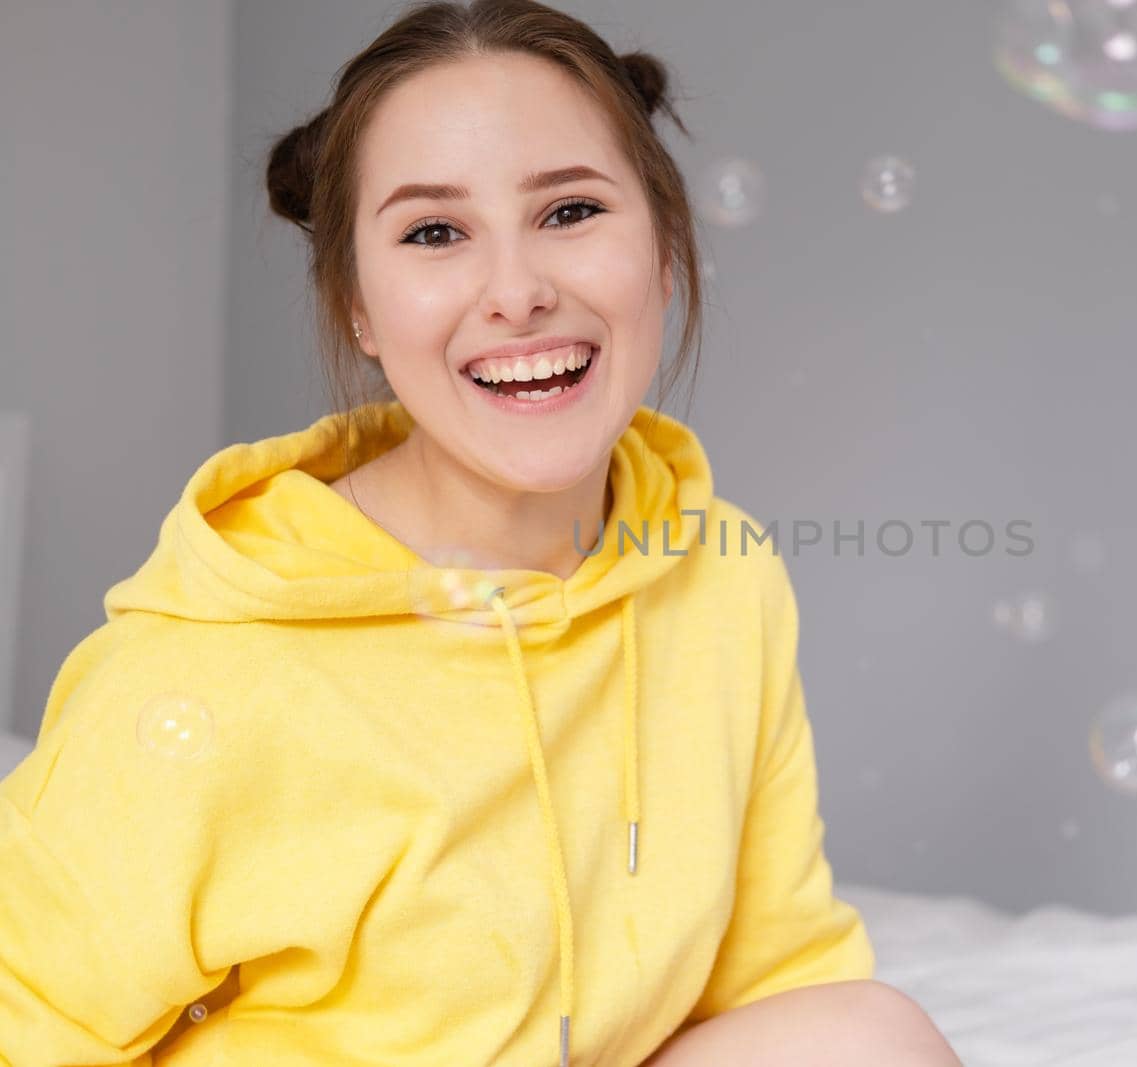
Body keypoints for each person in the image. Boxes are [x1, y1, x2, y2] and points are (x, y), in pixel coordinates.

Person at [0, 1, 964, 1064]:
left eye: (569, 212)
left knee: (870, 1036)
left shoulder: (722, 580)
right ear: (360, 308)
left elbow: (775, 979)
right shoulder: (206, 668)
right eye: (433, 232)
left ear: (665, 250)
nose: (517, 292)